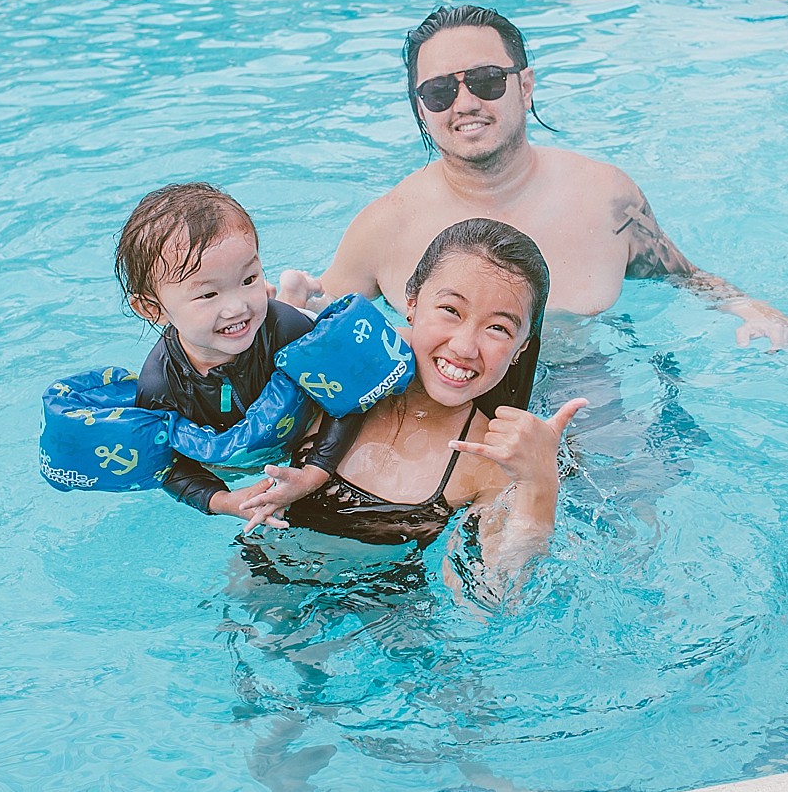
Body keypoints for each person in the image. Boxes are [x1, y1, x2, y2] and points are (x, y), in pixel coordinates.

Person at [277, 5, 788, 349]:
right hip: (445, 413)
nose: (464, 103)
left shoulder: (605, 197)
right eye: (439, 91)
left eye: (485, 81)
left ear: (524, 86)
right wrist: (290, 308)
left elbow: (681, 276)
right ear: (420, 107)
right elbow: (318, 320)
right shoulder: (384, 227)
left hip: (590, 391)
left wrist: (748, 306)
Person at [233, 218, 585, 576]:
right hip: (263, 571)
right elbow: (218, 454)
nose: (464, 347)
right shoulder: (333, 372)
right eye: (450, 310)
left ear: (521, 348)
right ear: (411, 302)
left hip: (388, 611)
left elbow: (494, 600)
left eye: (497, 328)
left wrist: (539, 484)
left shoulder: (488, 461)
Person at [116, 183, 349, 522]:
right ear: (154, 308)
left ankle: (293, 295)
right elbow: (166, 465)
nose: (236, 306)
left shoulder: (287, 329)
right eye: (209, 295)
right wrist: (224, 500)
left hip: (287, 349)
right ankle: (288, 291)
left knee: (282, 319)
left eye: (248, 278)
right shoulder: (159, 385)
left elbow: (351, 399)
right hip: (245, 436)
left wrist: (315, 472)